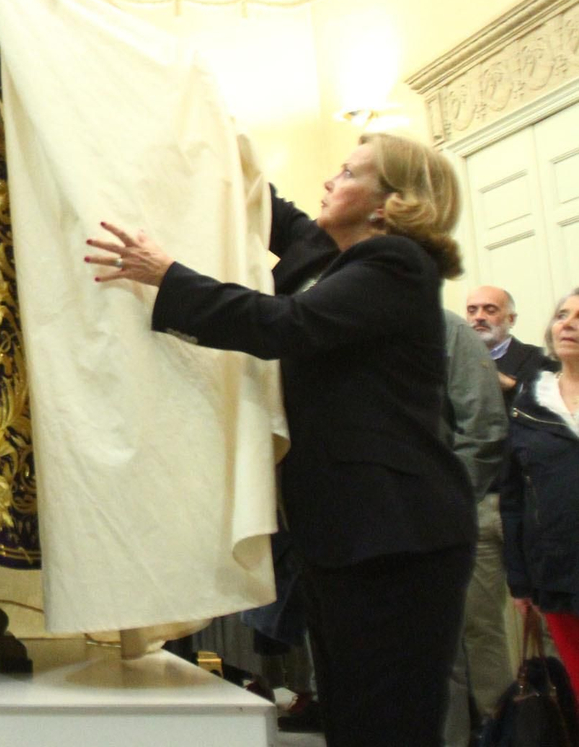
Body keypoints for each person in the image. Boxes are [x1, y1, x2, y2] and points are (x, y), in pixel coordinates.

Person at [87, 132, 476, 747]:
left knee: (390, 719)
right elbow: (270, 210)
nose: (330, 180)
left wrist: (168, 277)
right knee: (351, 713)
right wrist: (199, 128)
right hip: (347, 532)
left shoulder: (397, 266)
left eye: (348, 173)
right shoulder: (330, 254)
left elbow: (286, 325)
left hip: (398, 536)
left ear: (387, 203)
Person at [439, 309, 512, 743]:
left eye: (491, 309)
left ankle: (498, 729)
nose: (480, 316)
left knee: (473, 633)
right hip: (360, 527)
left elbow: (484, 429)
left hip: (469, 510)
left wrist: (444, 501)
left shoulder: (447, 331)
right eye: (475, 308)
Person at [501, 288, 579, 684]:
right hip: (558, 570)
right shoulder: (529, 399)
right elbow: (513, 497)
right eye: (563, 315)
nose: (569, 324)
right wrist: (519, 580)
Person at [468, 285, 557, 399]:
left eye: (490, 310)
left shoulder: (542, 359)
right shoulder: (454, 361)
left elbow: (555, 405)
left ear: (511, 319)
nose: (479, 317)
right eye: (472, 311)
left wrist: (512, 386)